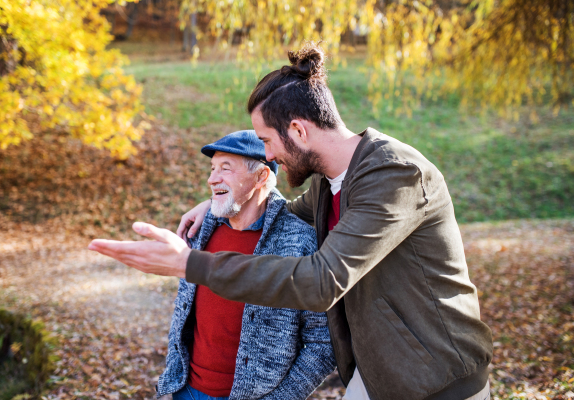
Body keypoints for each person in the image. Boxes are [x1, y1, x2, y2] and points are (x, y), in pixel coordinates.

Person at [89, 43, 493, 400]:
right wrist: (215, 201)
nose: (268, 155)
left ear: (298, 130)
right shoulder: (328, 186)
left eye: (266, 141)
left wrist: (188, 265)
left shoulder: (394, 174)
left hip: (439, 379)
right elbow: (276, 212)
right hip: (381, 374)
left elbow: (321, 281)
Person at [153, 130, 335, 400]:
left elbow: (322, 343)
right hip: (187, 390)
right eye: (213, 168)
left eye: (226, 168)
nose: (212, 178)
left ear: (261, 177)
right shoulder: (200, 231)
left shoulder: (299, 242)